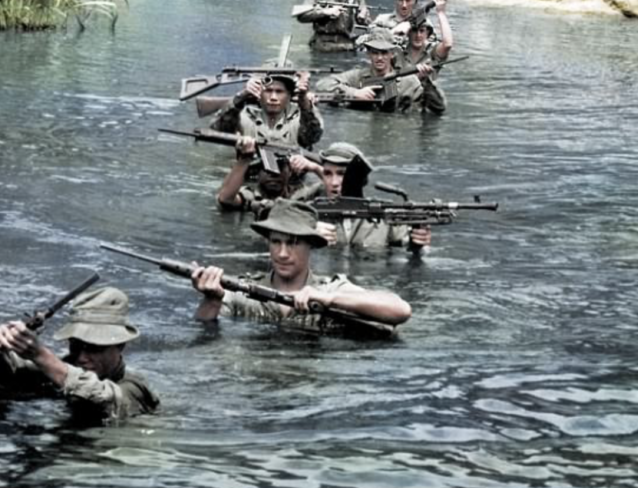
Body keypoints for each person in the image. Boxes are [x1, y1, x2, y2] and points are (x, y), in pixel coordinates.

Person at [190, 200, 412, 330]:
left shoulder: (329, 289)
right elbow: (202, 332)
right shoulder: (244, 290)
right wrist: (211, 300)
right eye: (276, 242)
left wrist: (329, 300)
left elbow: (400, 310)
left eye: (293, 244)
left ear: (311, 246)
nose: (283, 253)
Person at [0, 286, 159, 421]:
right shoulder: (64, 366)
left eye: (94, 348)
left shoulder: (135, 389)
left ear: (120, 346)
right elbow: (13, 372)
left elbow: (102, 398)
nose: (82, 357)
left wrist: (40, 355)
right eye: (76, 345)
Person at [291, 141, 431, 252]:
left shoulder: (382, 218)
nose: (334, 183)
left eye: (342, 174)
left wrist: (418, 244)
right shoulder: (308, 212)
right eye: (327, 174)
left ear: (359, 179)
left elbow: (413, 255)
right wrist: (307, 235)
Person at [316, 30, 446, 115]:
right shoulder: (357, 76)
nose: (379, 58)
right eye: (375, 52)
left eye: (384, 53)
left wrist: (426, 82)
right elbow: (322, 85)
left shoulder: (410, 81)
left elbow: (438, 109)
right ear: (368, 53)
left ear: (392, 53)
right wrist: (355, 93)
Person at [210, 70, 323, 148]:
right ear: (259, 93)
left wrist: (304, 100)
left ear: (289, 96)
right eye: (268, 91)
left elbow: (312, 137)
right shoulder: (245, 115)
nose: (273, 97)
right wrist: (242, 95)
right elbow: (218, 129)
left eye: (279, 92)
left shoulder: (299, 116)